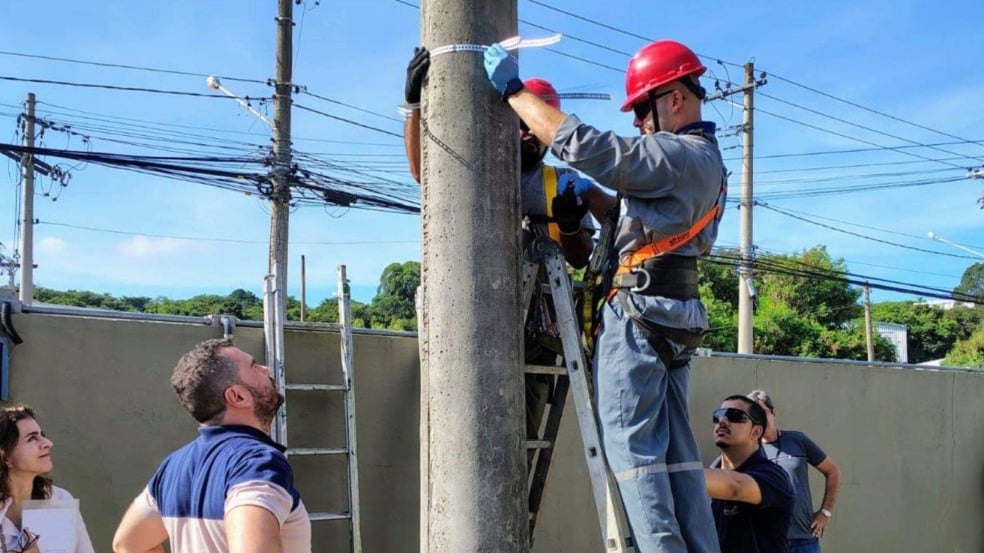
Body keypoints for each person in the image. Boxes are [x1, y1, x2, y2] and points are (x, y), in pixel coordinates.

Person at [484, 39, 727, 552]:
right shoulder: (706, 164)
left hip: (640, 314)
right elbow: (642, 220)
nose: (639, 122)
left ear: (675, 98)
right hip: (673, 313)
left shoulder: (678, 153)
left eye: (642, 108)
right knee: (678, 457)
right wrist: (592, 204)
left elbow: (596, 150)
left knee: (634, 459)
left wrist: (513, 90)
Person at [404, 46, 613, 448]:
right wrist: (414, 105)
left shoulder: (566, 184)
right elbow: (423, 173)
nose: (528, 136)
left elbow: (583, 255)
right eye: (521, 125)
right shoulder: (479, 174)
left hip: (539, 327)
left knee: (520, 435)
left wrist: (569, 226)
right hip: (477, 318)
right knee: (466, 432)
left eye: (536, 129)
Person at [113, 338, 311, 553]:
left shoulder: (173, 467)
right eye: (254, 367)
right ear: (237, 396)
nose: (266, 369)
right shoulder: (256, 462)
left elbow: (128, 544)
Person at [747, 390, 841, 553]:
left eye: (763, 413)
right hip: (767, 541)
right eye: (754, 416)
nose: (760, 420)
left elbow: (833, 472)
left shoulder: (797, 440)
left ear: (773, 412)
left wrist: (825, 512)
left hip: (804, 541)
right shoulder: (748, 451)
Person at [704, 395, 795, 553]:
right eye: (718, 415)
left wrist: (669, 474)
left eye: (735, 416)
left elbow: (735, 487)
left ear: (756, 431)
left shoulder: (774, 476)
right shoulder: (709, 476)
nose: (723, 421)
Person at [0, 404, 95, 553]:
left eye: (42, 435)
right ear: (5, 456)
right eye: (32, 438)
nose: (48, 443)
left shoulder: (60, 499)